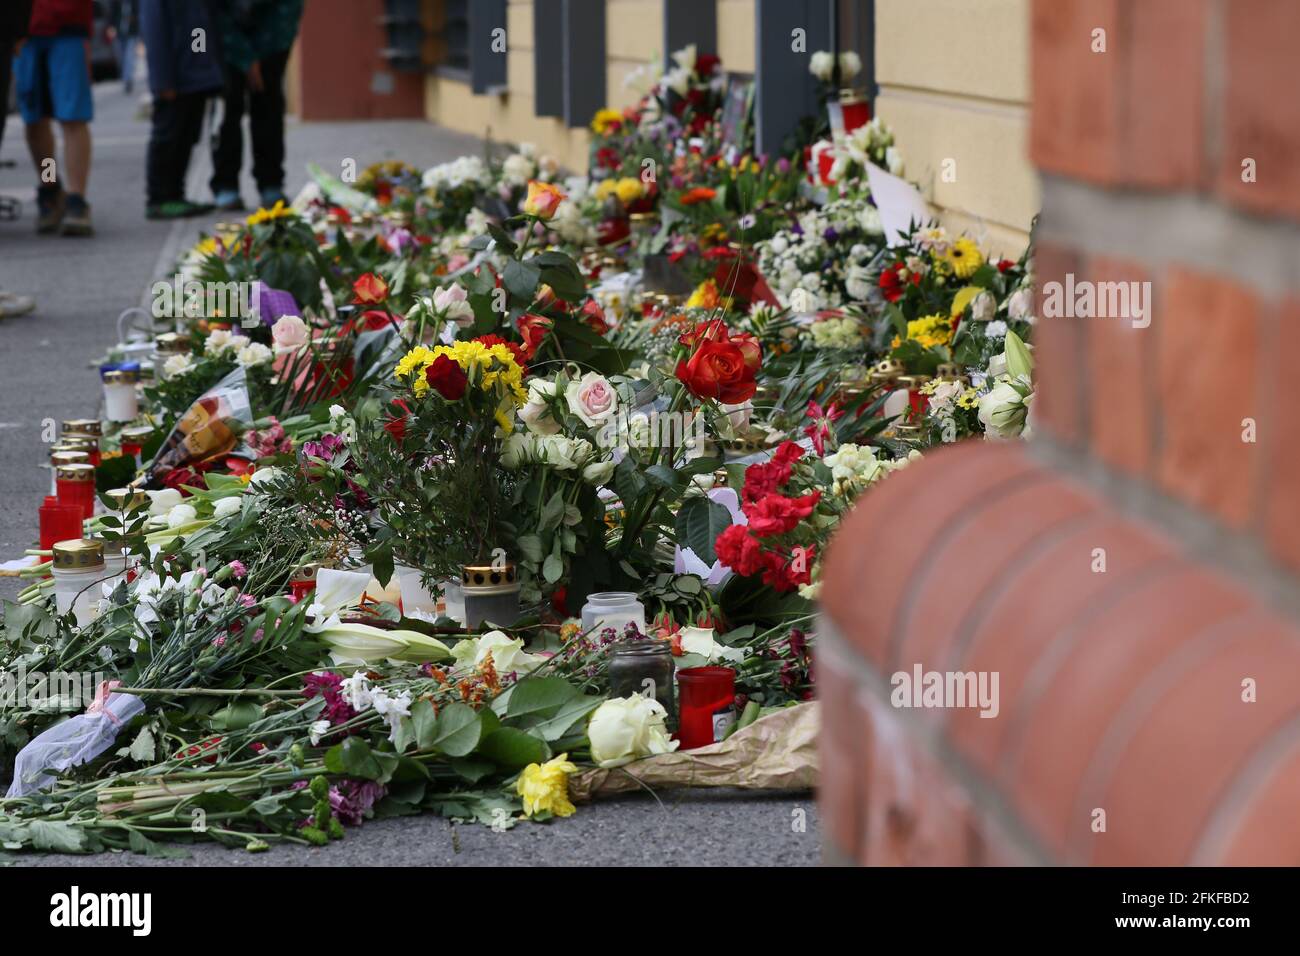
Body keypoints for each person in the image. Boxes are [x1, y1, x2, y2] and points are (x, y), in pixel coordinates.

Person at [210, 0, 304, 212]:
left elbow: (289, 10)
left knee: (269, 108)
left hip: (273, 38)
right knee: (226, 109)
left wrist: (264, 56)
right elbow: (211, 12)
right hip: (225, 39)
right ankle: (226, 184)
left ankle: (271, 183)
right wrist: (243, 57)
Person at [14, 0, 95, 236]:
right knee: (35, 119)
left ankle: (76, 199)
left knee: (72, 117)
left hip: (68, 23)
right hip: (24, 28)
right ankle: (50, 188)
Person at [139, 0, 222, 219]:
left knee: (186, 136)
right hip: (173, 75)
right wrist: (162, 79)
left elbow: (200, 25)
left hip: (194, 73)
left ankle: (176, 194)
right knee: (168, 136)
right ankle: (158, 198)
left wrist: (203, 66)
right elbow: (154, 29)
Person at [108, 0, 140, 94]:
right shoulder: (116, 2)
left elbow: (140, 13)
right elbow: (112, 14)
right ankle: (126, 76)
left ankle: (128, 79)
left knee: (129, 56)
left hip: (132, 33)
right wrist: (110, 27)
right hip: (120, 33)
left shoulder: (135, 2)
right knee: (121, 57)